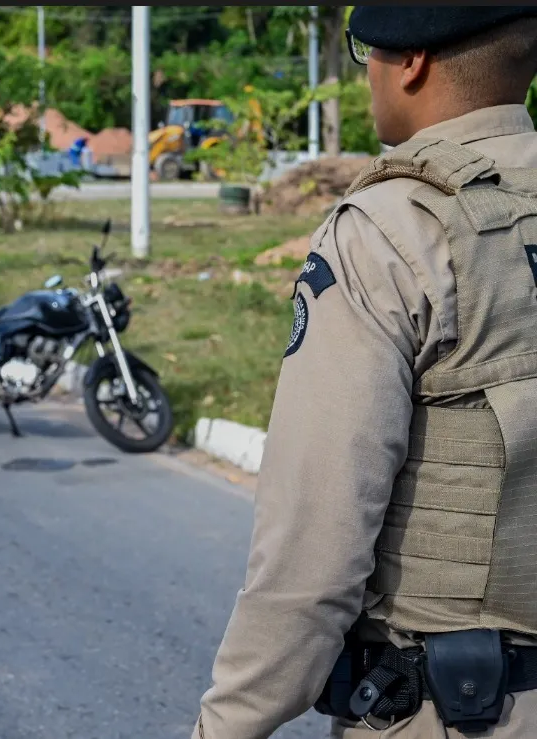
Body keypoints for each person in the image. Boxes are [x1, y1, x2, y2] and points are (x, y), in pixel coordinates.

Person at [192, 7, 537, 739]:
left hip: (455, 709)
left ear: (409, 61)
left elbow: (312, 552)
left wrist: (225, 725)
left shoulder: (390, 230)